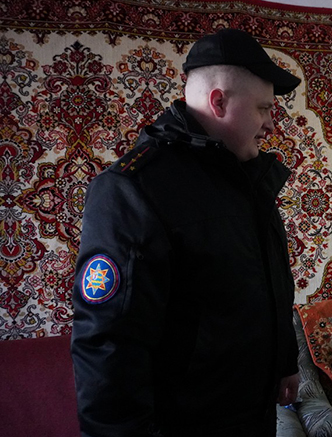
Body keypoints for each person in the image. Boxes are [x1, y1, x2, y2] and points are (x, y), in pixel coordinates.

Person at [70, 29, 302, 437]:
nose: (270, 124)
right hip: (186, 423)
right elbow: (110, 343)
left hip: (253, 413)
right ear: (219, 102)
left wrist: (284, 362)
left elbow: (271, 282)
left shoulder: (248, 178)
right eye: (264, 109)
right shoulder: (135, 188)